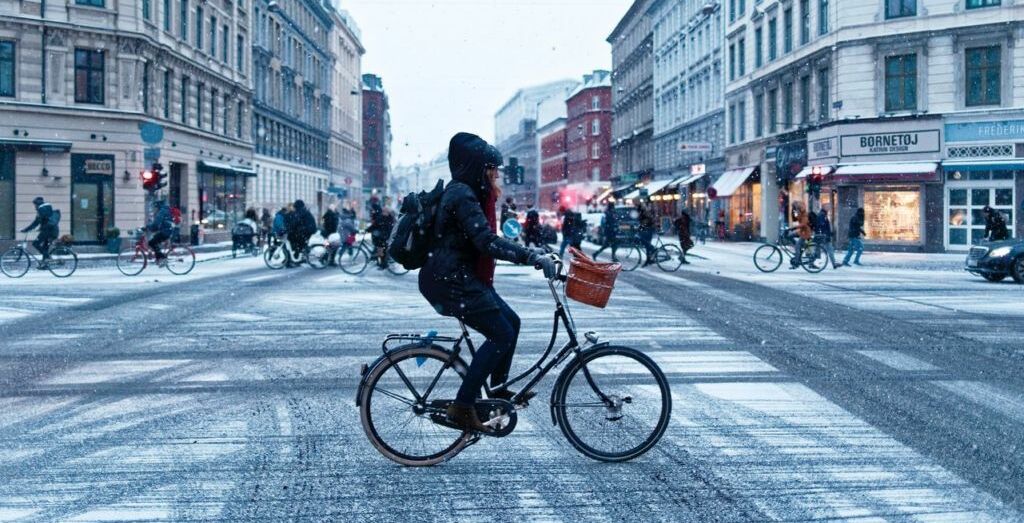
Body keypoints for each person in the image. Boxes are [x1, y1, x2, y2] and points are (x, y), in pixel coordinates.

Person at [419, 132, 556, 433]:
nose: (496, 175)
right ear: (477, 169)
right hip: (450, 280)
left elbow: (484, 239)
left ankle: (497, 391)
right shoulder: (462, 196)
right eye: (492, 169)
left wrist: (532, 253)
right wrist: (530, 256)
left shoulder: (467, 192)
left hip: (458, 276)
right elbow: (485, 241)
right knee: (501, 335)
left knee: (512, 323)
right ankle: (463, 406)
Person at [20, 197, 60, 267]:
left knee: (36, 244)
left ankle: (48, 258)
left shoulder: (41, 210)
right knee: (45, 248)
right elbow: (44, 221)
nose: (34, 207)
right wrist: (40, 228)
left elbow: (36, 222)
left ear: (37, 204)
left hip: (48, 231)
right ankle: (45, 264)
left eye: (35, 205)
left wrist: (26, 229)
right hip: (53, 231)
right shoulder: (46, 209)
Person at [285, 200, 316, 267]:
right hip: (309, 230)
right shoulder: (303, 211)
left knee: (296, 242)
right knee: (299, 243)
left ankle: (300, 256)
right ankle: (300, 256)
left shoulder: (300, 212)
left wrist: (290, 229)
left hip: (307, 230)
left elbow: (295, 222)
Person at [368, 199, 396, 269]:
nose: (383, 212)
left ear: (388, 212)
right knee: (379, 248)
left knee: (381, 249)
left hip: (384, 237)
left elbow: (387, 228)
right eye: (383, 211)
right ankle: (378, 260)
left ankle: (383, 264)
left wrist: (369, 229)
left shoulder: (388, 218)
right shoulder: (383, 217)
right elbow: (375, 225)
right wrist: (367, 230)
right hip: (382, 236)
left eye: (385, 211)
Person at [147, 200, 175, 264]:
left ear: (158, 206)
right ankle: (158, 259)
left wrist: (149, 227)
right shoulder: (167, 210)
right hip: (168, 231)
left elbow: (156, 223)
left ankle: (162, 258)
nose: (155, 208)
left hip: (165, 232)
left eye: (156, 207)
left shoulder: (162, 211)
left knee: (151, 242)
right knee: (155, 240)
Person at [788, 201, 812, 269]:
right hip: (801, 231)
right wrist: (793, 211)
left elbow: (803, 224)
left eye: (796, 208)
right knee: (789, 236)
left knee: (797, 246)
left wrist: (793, 228)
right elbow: (795, 219)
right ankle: (799, 247)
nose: (795, 209)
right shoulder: (798, 212)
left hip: (806, 232)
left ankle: (796, 262)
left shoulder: (804, 214)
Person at [637, 201, 657, 266]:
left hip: (648, 229)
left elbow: (645, 222)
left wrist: (641, 227)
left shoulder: (644, 213)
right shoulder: (643, 213)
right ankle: (648, 260)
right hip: (647, 229)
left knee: (646, 243)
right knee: (646, 245)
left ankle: (653, 249)